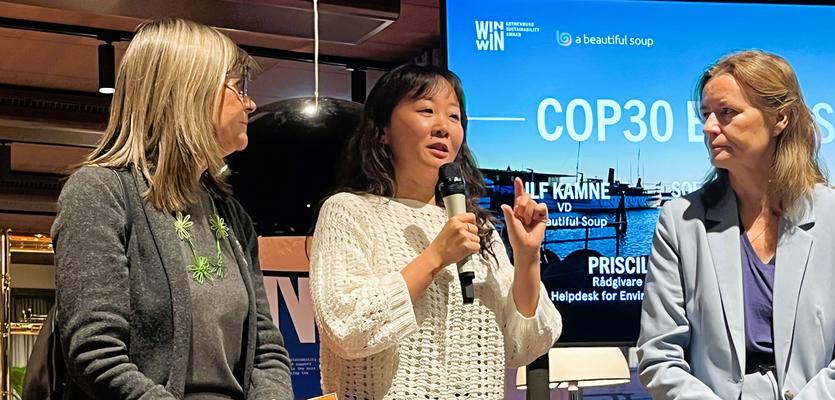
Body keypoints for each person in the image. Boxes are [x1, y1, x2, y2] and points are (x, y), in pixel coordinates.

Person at [52, 17, 292, 399]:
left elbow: (267, 351)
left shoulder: (232, 215)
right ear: (190, 91)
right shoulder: (100, 192)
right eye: (238, 86)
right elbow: (96, 354)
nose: (250, 103)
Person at [637, 50, 835, 399]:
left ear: (780, 118)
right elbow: (659, 356)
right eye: (706, 114)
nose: (709, 127)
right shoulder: (680, 221)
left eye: (727, 112)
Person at [309, 64, 562, 398]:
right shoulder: (349, 211)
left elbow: (523, 346)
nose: (443, 127)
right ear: (383, 130)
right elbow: (345, 326)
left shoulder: (477, 227)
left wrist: (528, 256)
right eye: (427, 111)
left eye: (454, 117)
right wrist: (436, 256)